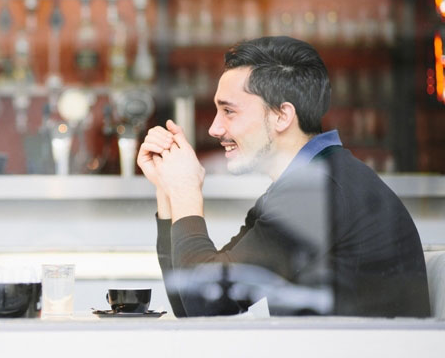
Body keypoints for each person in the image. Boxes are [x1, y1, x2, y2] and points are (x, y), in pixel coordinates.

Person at [137, 36, 430, 317]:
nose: (214, 128)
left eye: (229, 111)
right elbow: (191, 303)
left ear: (282, 116)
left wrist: (187, 191)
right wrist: (168, 190)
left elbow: (206, 302)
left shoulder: (321, 191)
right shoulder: (309, 184)